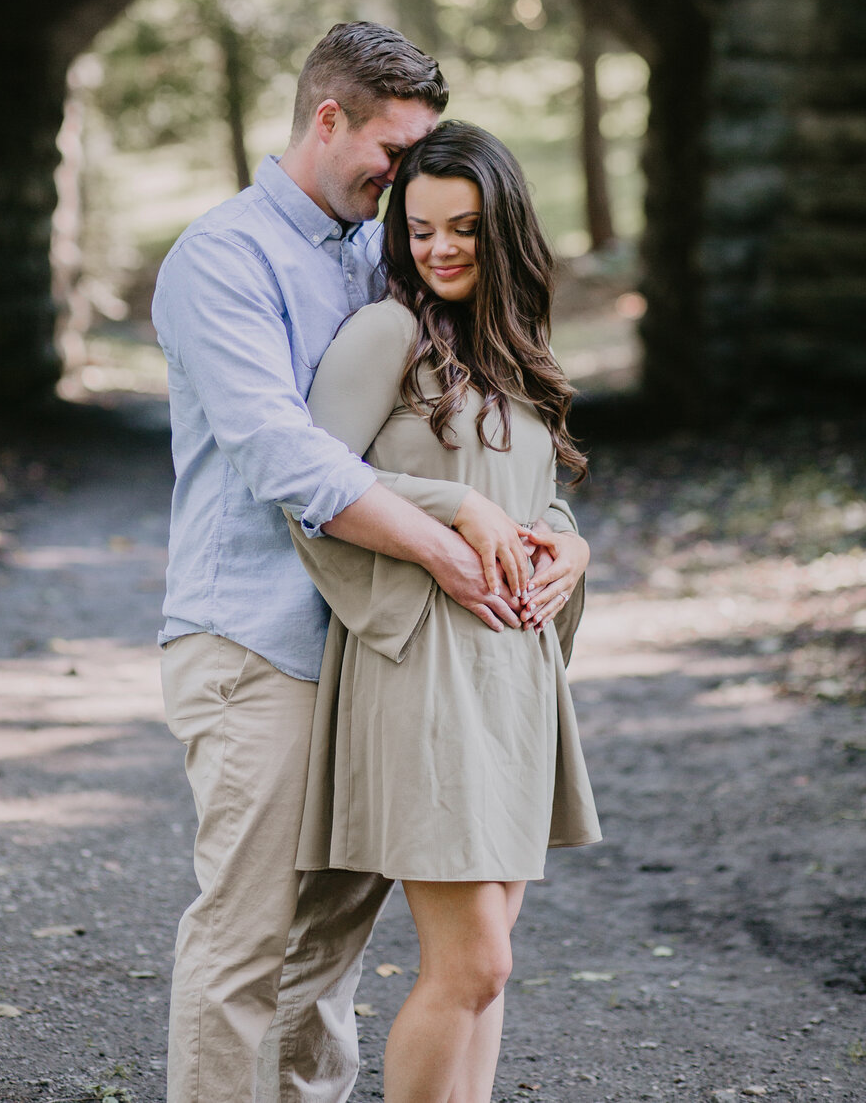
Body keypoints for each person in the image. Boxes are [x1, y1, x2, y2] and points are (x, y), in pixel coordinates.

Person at [152, 22, 590, 1103]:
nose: (403, 184)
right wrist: (450, 541)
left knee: (323, 965)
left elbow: (473, 443)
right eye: (391, 156)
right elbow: (282, 453)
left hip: (373, 658)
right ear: (326, 117)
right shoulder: (225, 256)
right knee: (248, 942)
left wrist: (558, 539)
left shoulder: (378, 251)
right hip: (256, 641)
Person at [288, 120, 601, 1103]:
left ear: (502, 227)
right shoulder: (387, 333)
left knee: (490, 966)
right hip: (423, 669)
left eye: (462, 227)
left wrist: (569, 543)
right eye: (419, 230)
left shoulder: (511, 350)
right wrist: (452, 509)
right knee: (470, 965)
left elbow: (533, 496)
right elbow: (314, 495)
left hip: (512, 673)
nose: (439, 249)